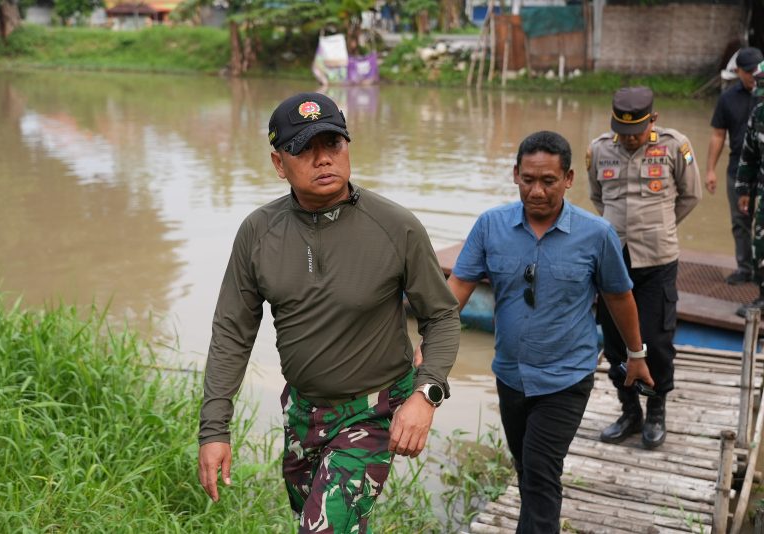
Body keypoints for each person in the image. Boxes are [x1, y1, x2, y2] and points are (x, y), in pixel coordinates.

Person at [196, 92, 461, 533]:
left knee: (321, 529)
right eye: (305, 149)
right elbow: (231, 335)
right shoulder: (258, 233)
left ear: (347, 146)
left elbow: (442, 316)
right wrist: (214, 430)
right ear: (279, 164)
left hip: (374, 411)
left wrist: (426, 393)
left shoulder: (396, 227)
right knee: (319, 520)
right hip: (302, 412)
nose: (324, 159)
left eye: (333, 144)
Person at [441, 131, 653, 532]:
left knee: (539, 470)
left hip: (566, 377)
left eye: (548, 181)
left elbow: (620, 297)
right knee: (527, 469)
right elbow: (456, 292)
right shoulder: (491, 226)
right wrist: (429, 349)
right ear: (516, 174)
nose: (536, 191)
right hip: (510, 374)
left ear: (569, 178)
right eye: (528, 180)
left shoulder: (597, 234)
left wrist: (636, 356)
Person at [587, 87, 701, 449]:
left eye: (636, 131)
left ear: (652, 119)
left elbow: (691, 195)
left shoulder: (674, 146)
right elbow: (596, 197)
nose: (630, 138)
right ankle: (629, 411)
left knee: (658, 341)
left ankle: (656, 411)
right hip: (613, 258)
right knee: (617, 341)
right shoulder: (600, 148)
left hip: (657, 260)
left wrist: (661, 227)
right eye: (623, 131)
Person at [706, 47, 764, 284]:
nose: (753, 75)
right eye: (748, 71)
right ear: (738, 71)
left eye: (757, 70)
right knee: (740, 222)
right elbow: (718, 135)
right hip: (739, 170)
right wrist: (710, 169)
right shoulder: (727, 98)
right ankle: (745, 268)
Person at [735, 61, 764, 314]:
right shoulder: (759, 114)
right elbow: (749, 156)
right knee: (760, 245)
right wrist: (744, 190)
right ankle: (763, 297)